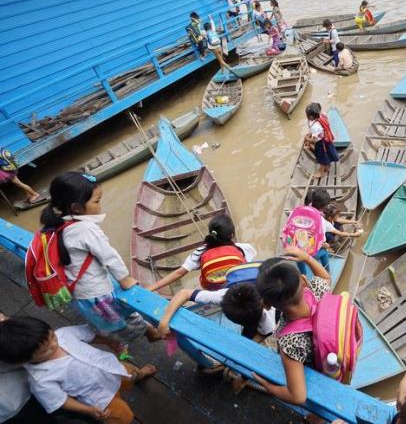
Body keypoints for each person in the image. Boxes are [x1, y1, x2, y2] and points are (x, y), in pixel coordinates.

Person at [37, 172, 160, 348]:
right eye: (96, 201)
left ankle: (136, 330)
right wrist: (125, 280)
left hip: (79, 293)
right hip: (97, 294)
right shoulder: (86, 229)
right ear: (76, 208)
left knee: (111, 318)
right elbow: (109, 256)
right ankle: (150, 334)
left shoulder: (56, 225)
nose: (100, 205)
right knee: (122, 321)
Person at [0, 317, 155, 424]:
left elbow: (89, 335)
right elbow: (60, 401)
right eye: (45, 350)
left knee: (131, 373)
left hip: (112, 369)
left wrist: (110, 342)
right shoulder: (40, 378)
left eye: (52, 336)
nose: (54, 345)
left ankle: (140, 374)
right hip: (100, 398)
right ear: (25, 360)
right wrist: (87, 410)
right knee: (123, 416)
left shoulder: (63, 334)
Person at [251, 248, 331, 404]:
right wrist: (307, 258)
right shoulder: (318, 291)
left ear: (266, 305)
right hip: (333, 350)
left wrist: (268, 386)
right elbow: (325, 277)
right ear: (303, 280)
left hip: (317, 366)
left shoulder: (290, 343)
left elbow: (298, 397)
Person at [147, 214, 256, 293]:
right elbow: (247, 271)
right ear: (232, 235)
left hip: (213, 293)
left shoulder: (200, 252)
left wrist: (152, 288)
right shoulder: (243, 249)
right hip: (240, 291)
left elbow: (179, 273)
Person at [156, 282, 276, 343]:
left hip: (261, 312)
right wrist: (164, 322)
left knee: (248, 336)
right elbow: (184, 294)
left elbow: (263, 334)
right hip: (252, 299)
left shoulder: (267, 317)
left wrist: (243, 347)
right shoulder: (222, 296)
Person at [304, 104, 339, 178]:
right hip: (326, 141)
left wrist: (307, 139)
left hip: (320, 143)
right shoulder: (321, 116)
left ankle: (321, 171)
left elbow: (314, 140)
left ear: (310, 116)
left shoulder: (315, 127)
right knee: (327, 153)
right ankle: (328, 165)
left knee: (321, 157)